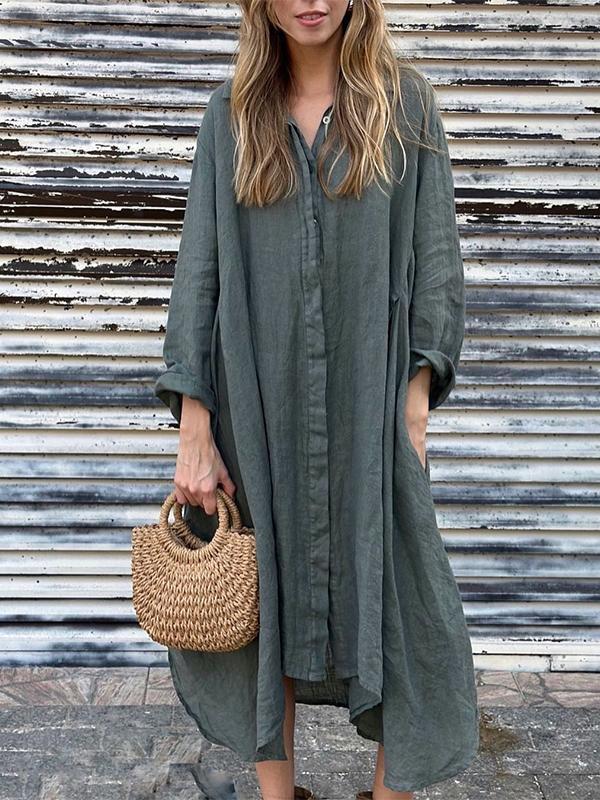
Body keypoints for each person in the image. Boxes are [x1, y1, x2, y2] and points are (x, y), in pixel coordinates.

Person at [154, 1, 480, 798]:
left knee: (406, 609)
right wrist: (195, 426)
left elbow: (437, 259)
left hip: (371, 408)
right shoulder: (231, 116)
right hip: (255, 405)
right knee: (262, 604)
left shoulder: (406, 105)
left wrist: (415, 400)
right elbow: (199, 272)